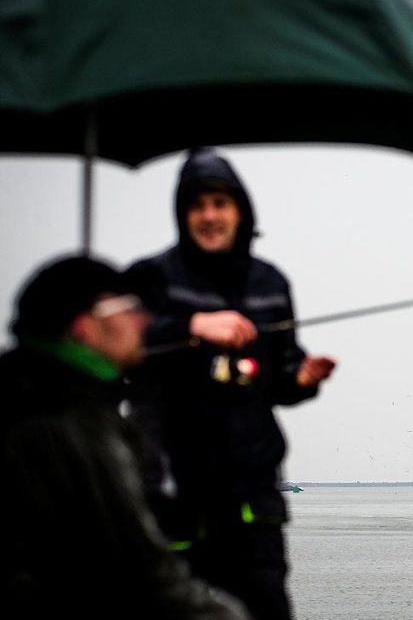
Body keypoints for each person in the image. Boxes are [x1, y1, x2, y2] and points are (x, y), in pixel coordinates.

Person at [127, 149, 336, 620]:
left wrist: (302, 379)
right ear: (183, 214)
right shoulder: (151, 277)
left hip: (253, 501)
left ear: (240, 211)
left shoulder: (270, 283)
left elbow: (282, 375)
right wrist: (191, 326)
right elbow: (117, 348)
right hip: (173, 495)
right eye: (197, 205)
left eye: (220, 203)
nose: (209, 216)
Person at [0, 256, 249, 620]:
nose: (143, 320)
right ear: (83, 326)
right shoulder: (71, 423)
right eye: (129, 308)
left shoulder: (22, 394)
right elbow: (143, 574)